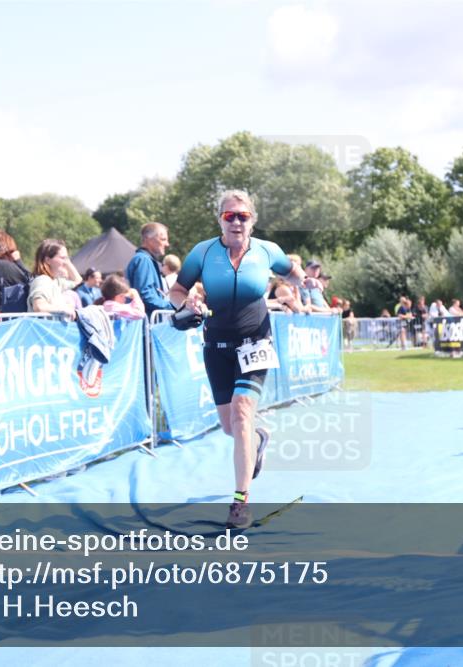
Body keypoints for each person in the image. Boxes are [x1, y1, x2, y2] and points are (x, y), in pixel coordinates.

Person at [168, 189, 320, 529]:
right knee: (231, 427)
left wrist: (305, 281)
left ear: (252, 219)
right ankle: (259, 437)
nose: (236, 221)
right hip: (217, 344)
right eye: (229, 216)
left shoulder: (267, 250)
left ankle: (240, 503)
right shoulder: (202, 253)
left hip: (256, 341)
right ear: (220, 220)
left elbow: (291, 272)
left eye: (243, 216)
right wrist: (186, 303)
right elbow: (177, 289)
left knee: (241, 413)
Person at [126, 222, 173, 316]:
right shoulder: (143, 260)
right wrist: (175, 306)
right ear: (148, 239)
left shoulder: (145, 260)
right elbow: (146, 297)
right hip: (146, 325)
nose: (167, 244)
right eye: (163, 239)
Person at [29, 239, 83, 320]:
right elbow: (39, 306)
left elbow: (77, 280)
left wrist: (66, 261)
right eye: (62, 258)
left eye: (67, 258)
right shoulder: (42, 281)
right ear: (48, 260)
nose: (66, 262)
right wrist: (64, 309)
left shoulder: (55, 281)